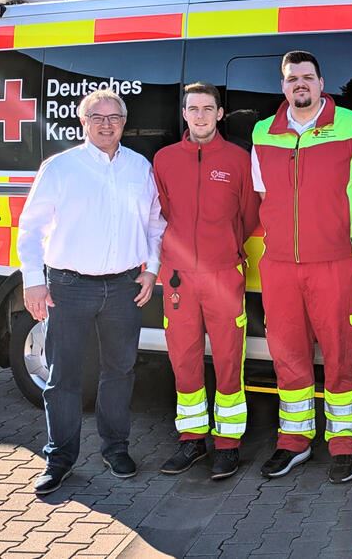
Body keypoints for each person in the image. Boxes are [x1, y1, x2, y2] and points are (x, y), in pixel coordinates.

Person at [18, 89, 165, 496]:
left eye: (113, 117)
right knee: (63, 377)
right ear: (82, 123)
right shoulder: (60, 168)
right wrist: (33, 279)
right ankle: (59, 459)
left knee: (119, 372)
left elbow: (155, 224)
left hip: (124, 287)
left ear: (124, 121)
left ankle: (115, 449)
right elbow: (30, 228)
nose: (106, 124)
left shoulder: (140, 168)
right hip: (68, 286)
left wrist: (151, 270)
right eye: (96, 117)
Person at [251, 51, 352, 484]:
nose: (299, 84)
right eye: (291, 79)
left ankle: (343, 443)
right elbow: (260, 195)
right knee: (287, 355)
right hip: (280, 266)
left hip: (338, 263)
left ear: (322, 83)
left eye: (307, 77)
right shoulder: (262, 133)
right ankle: (294, 440)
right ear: (283, 86)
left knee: (343, 355)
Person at [153, 82, 260, 481]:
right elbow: (159, 214)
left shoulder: (238, 159)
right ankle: (192, 440)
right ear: (184, 114)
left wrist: (224, 250)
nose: (199, 115)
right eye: (192, 108)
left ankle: (228, 446)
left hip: (223, 274)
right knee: (183, 358)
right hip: (179, 278)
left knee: (230, 358)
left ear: (219, 114)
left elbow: (249, 215)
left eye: (207, 108)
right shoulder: (164, 160)